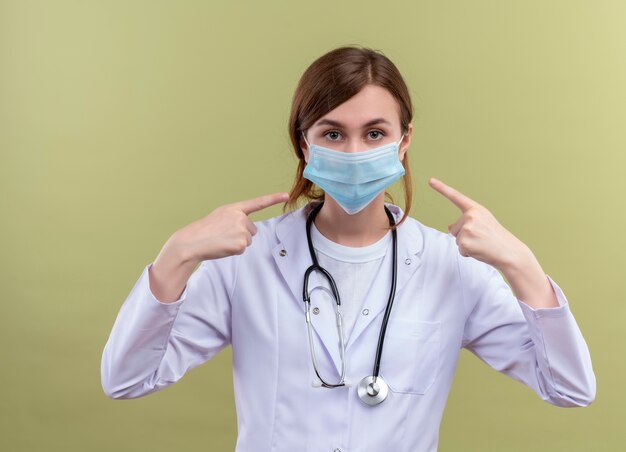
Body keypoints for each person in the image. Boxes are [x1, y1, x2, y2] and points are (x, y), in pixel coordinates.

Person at [101, 46, 595, 451]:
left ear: (403, 142)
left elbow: (570, 389)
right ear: (304, 144)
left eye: (375, 133)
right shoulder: (246, 260)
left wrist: (520, 264)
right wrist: (176, 256)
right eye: (332, 134)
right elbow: (126, 379)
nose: (354, 153)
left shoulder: (451, 267)